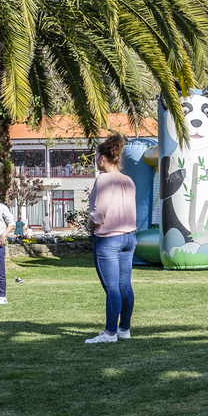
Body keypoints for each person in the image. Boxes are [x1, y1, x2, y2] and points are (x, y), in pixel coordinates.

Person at [85, 134, 136, 343]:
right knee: (125, 286)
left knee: (112, 288)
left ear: (103, 158)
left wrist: (89, 226)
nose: (95, 161)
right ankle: (124, 329)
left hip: (108, 239)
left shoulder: (104, 178)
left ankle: (109, 332)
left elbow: (99, 212)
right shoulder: (128, 180)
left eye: (96, 157)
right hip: (129, 237)